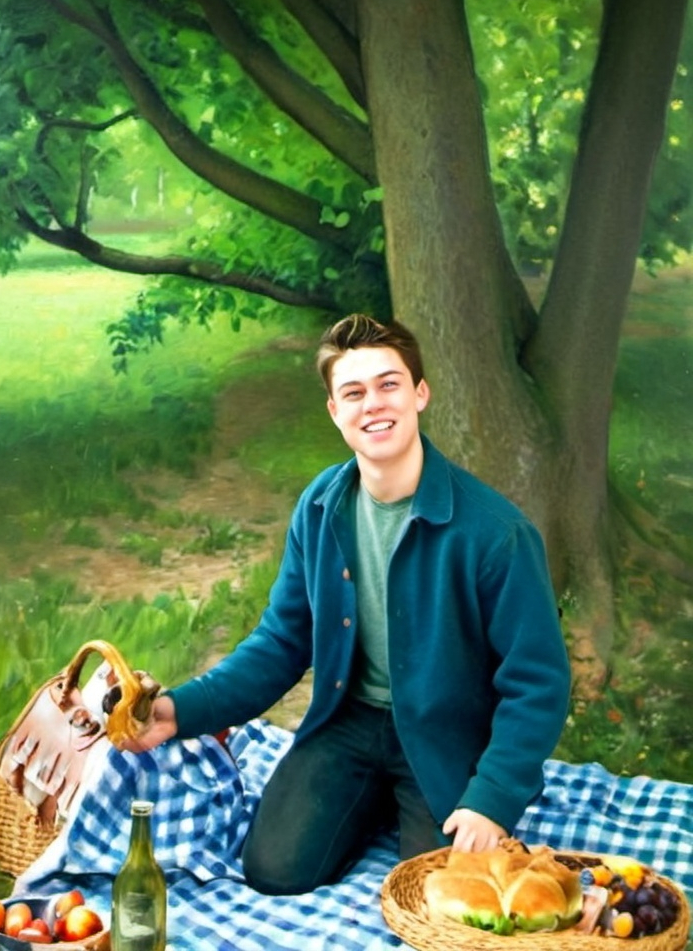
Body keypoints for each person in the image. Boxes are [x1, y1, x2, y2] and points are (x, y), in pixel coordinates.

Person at [122, 314, 571, 895]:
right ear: (335, 411)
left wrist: (491, 798)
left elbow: (538, 684)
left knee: (438, 896)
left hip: (445, 733)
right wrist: (181, 711)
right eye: (353, 392)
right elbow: (282, 641)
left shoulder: (495, 534)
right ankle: (370, 798)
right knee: (274, 869)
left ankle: (411, 800)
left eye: (389, 384)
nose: (373, 404)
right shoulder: (320, 507)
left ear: (420, 392)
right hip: (349, 720)